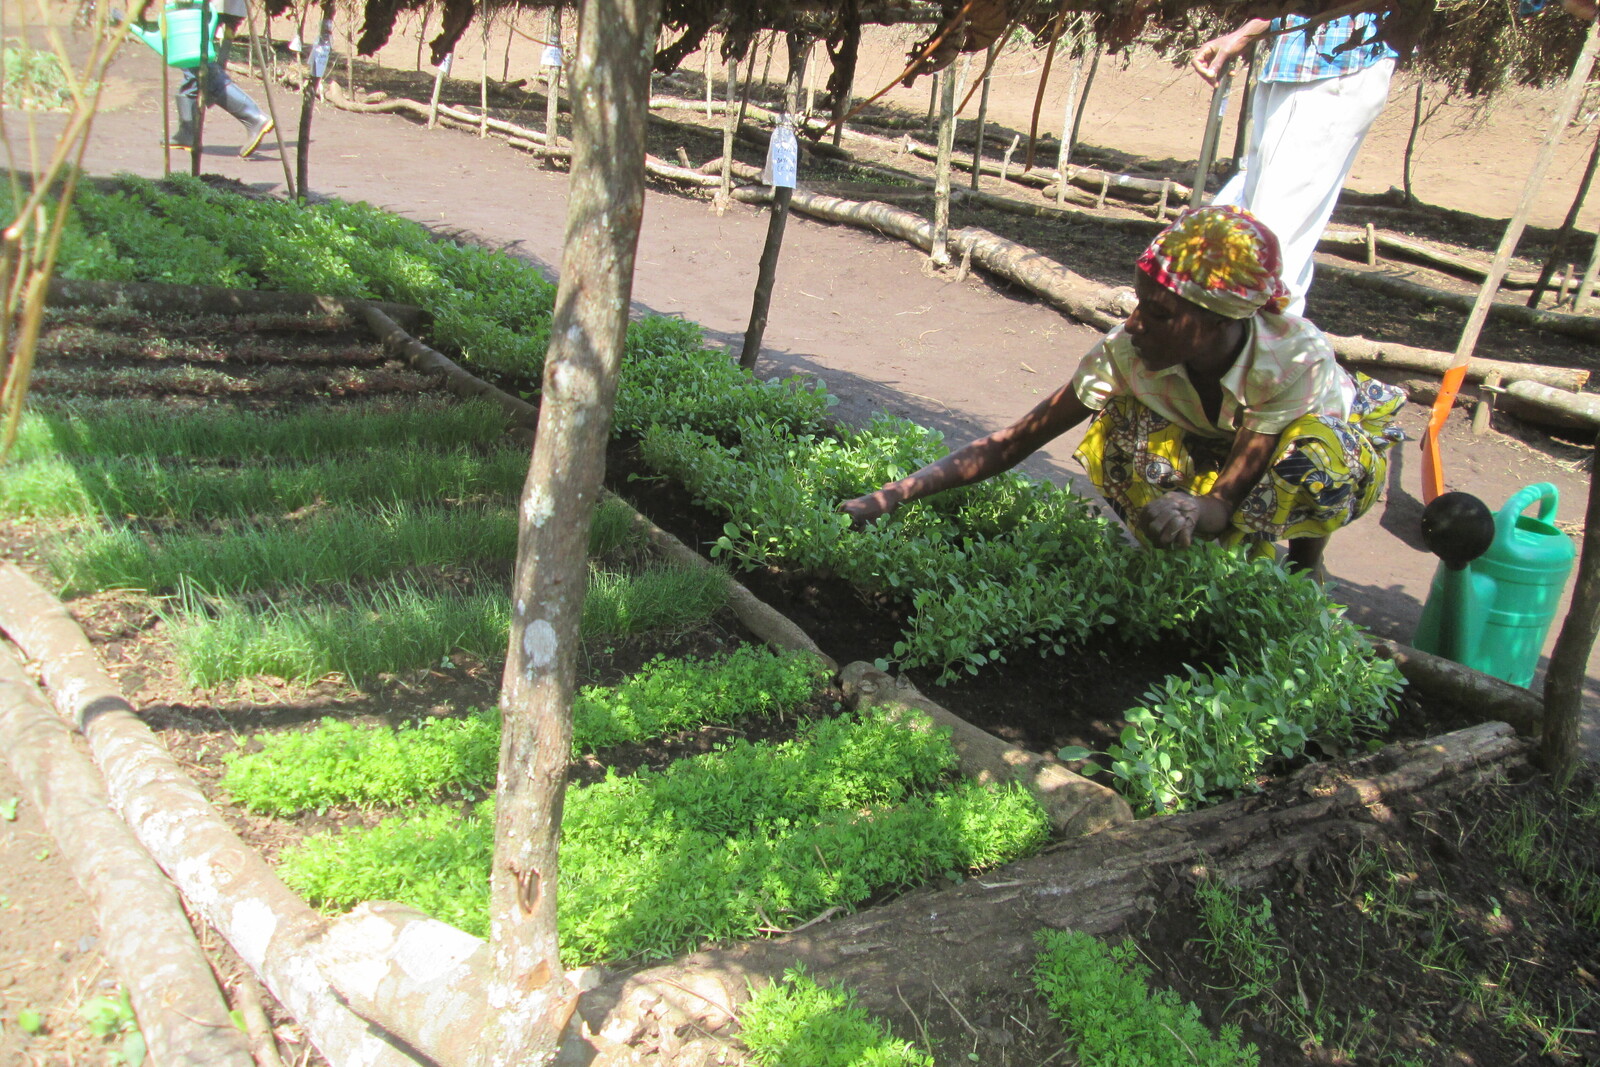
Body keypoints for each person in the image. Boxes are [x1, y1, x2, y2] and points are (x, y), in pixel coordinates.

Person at [839, 206, 1406, 578]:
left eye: (1157, 313)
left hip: (1311, 444)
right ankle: (1182, 565)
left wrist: (1200, 508)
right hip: (1212, 432)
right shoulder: (1128, 353)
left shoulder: (1290, 360)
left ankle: (1308, 562)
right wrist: (893, 494)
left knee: (1314, 459)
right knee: (1122, 426)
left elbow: (1228, 502)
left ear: (1215, 323)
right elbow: (1014, 442)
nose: (1134, 324)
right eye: (1137, 304)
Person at [1191, 14, 1398, 316]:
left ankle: (1261, 345)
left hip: (1338, 67)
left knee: (1274, 238)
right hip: (1290, 64)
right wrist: (1246, 33)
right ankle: (1262, 343)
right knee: (1258, 225)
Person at [168, 0, 274, 157]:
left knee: (194, 61)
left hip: (199, 6)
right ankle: (187, 132)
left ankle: (252, 116)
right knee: (192, 67)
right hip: (225, 6)